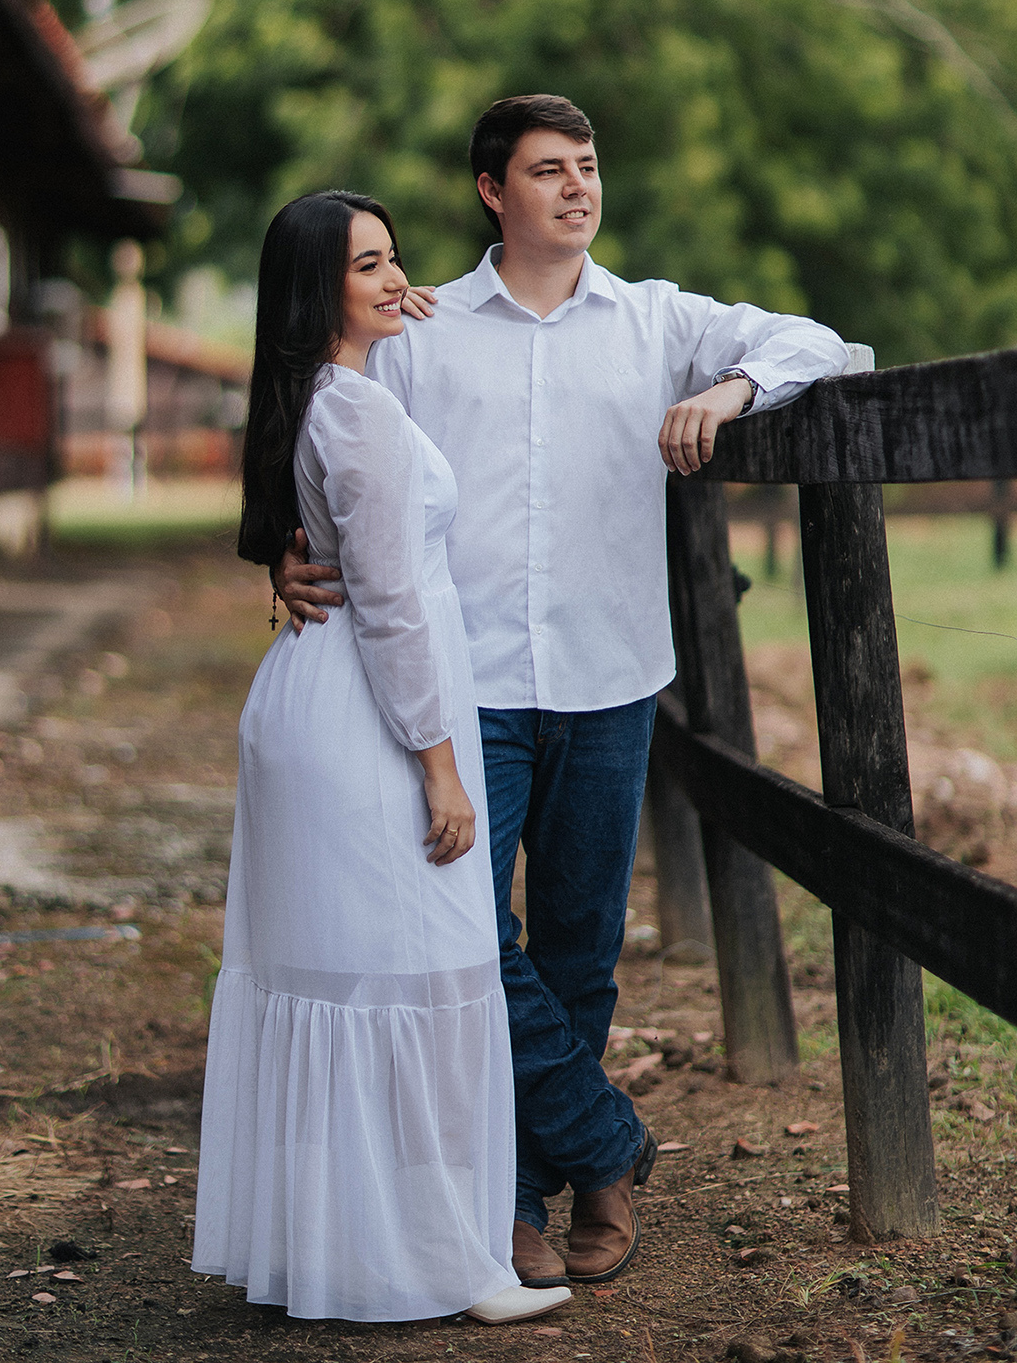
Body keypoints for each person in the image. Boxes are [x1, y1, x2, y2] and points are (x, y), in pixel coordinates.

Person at [276, 98, 851, 1290]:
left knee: (582, 949)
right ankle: (593, 1148)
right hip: (466, 688)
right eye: (549, 170)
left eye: (587, 166)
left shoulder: (657, 322)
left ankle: (545, 1188)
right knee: (469, 944)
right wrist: (279, 551)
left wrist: (732, 391)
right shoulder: (423, 329)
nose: (578, 186)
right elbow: (330, 446)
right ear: (494, 191)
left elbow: (825, 344)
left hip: (608, 677)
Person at [191, 189, 573, 1327]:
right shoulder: (353, 412)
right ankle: (448, 1265)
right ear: (319, 290)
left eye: (396, 258)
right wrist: (439, 764)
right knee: (416, 977)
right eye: (369, 265)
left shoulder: (322, 394)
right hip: (365, 720)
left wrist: (405, 300)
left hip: (326, 701)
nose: (399, 279)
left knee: (352, 978)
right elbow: (395, 602)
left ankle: (348, 1252)